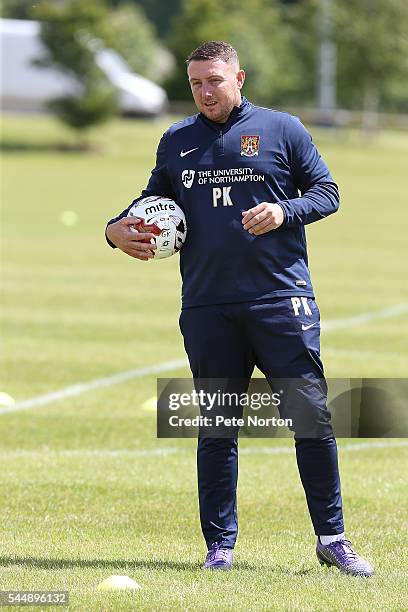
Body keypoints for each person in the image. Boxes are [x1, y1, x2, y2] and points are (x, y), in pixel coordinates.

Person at [105, 41, 374, 577]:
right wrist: (114, 231)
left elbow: (328, 192)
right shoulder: (177, 141)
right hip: (208, 305)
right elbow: (149, 203)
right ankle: (220, 547)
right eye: (196, 84)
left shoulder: (283, 129)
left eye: (215, 81)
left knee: (311, 418)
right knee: (218, 426)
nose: (206, 92)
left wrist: (284, 209)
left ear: (239, 77)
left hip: (280, 299)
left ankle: (332, 539)